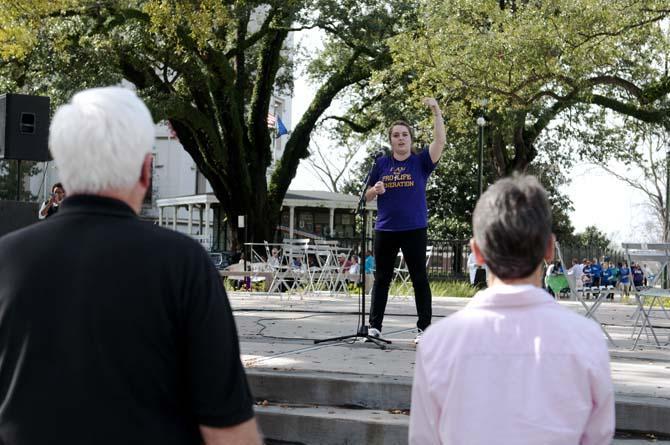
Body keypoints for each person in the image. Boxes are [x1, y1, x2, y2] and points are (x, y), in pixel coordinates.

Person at [0, 87, 261, 445]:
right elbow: (230, 434)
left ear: (63, 167)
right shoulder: (184, 265)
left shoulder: (5, 259)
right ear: (146, 170)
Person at [409, 175, 614, 445]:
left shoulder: (437, 342)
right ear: (549, 249)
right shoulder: (587, 338)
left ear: (477, 252)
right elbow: (598, 437)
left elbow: (424, 439)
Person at [365, 97, 446, 344]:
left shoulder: (420, 162)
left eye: (404, 135)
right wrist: (374, 190)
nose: (400, 139)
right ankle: (374, 327)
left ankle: (424, 329)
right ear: (390, 141)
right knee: (382, 279)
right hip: (385, 229)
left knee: (419, 278)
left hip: (414, 228)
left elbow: (440, 140)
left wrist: (435, 110)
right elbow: (366, 197)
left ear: (410, 139)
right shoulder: (381, 164)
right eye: (396, 135)